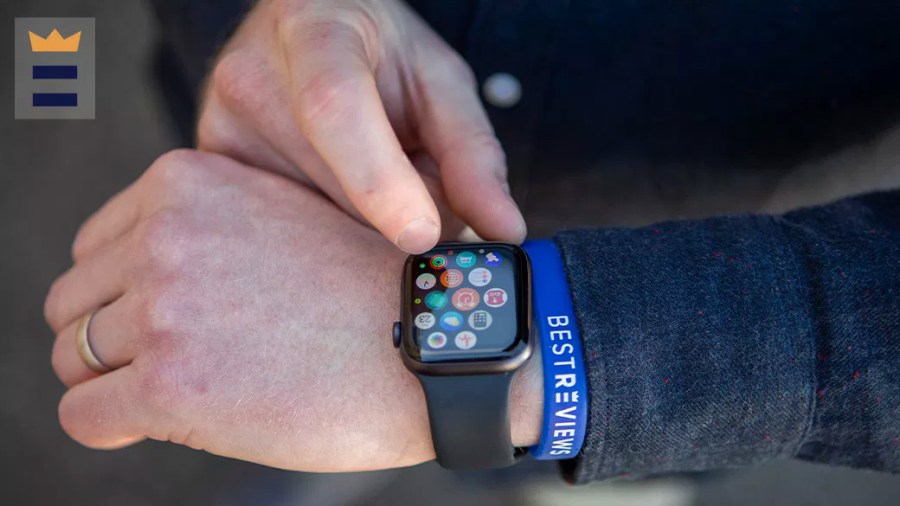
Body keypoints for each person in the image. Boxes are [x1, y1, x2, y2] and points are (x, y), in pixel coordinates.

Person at [45, 0, 898, 483]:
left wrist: (576, 370)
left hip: (711, 273)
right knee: (233, 384)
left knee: (626, 467)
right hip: (283, 149)